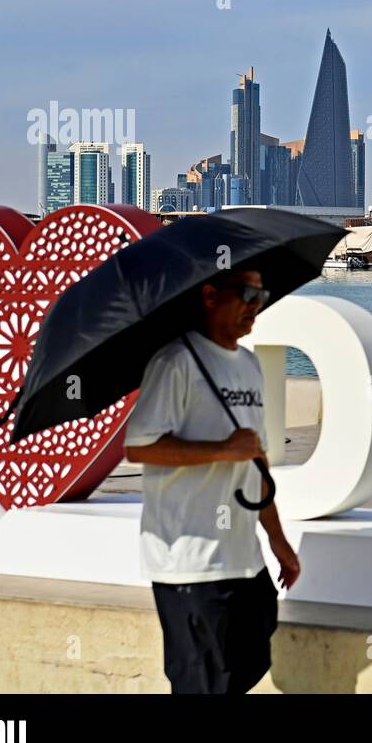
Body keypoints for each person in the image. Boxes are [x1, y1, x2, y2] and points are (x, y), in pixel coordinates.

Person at [124, 269, 301, 694]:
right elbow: (140, 447)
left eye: (261, 293)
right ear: (209, 295)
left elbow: (254, 461)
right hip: (189, 562)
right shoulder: (176, 363)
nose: (255, 304)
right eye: (245, 293)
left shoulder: (250, 365)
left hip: (244, 560)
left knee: (249, 664)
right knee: (203, 685)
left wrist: (277, 539)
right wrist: (223, 449)